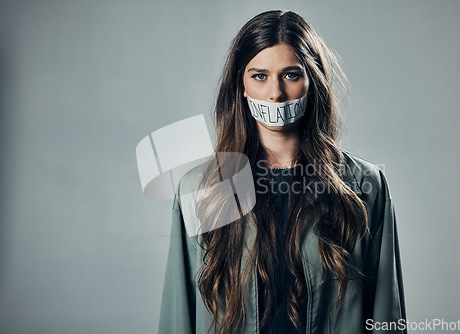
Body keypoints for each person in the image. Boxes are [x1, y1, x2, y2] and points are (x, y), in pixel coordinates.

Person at [158, 10, 406, 334]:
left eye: (290, 75)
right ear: (241, 85)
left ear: (311, 81)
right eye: (259, 76)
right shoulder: (200, 190)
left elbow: (387, 315)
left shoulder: (364, 186)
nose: (275, 93)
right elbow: (178, 316)